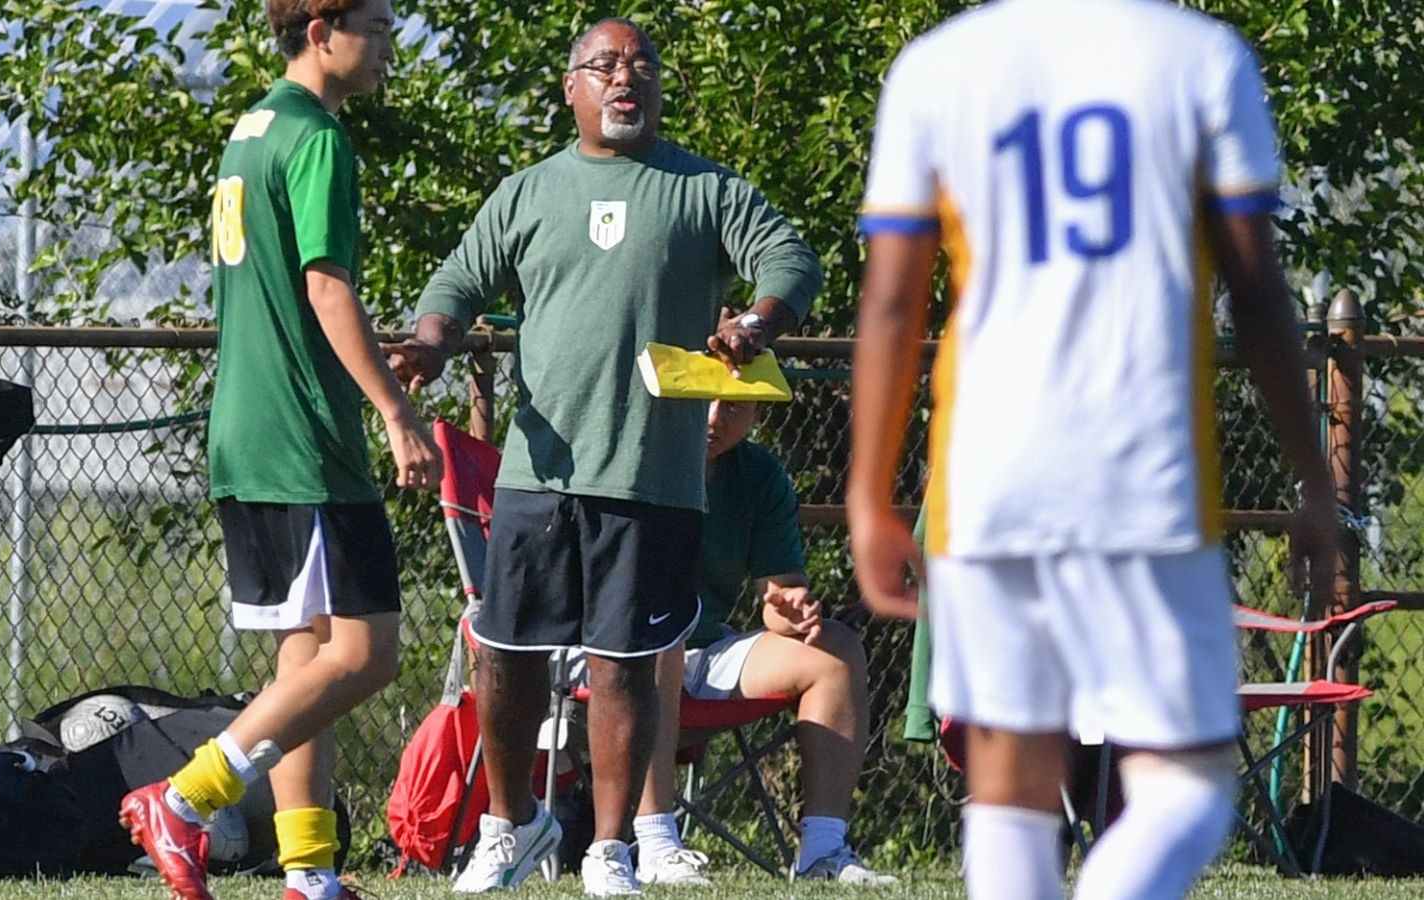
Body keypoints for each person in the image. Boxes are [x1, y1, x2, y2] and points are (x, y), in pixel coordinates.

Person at [846, 2, 1339, 900]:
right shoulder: (1200, 56)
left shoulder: (939, 65)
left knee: (1009, 788)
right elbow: (1260, 294)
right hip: (1143, 467)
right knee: (1189, 784)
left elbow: (889, 302)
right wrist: (1313, 480)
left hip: (988, 471)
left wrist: (868, 495)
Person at [386, 17, 820, 896]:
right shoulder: (528, 192)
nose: (627, 79)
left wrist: (754, 323)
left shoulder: (704, 189)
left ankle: (610, 851)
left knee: (626, 667)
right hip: (538, 472)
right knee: (505, 654)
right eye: (606, 65)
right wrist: (432, 342)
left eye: (642, 66)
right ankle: (511, 827)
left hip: (650, 478)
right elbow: (457, 282)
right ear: (571, 86)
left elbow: (791, 260)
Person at [118, 3, 442, 900]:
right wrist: (396, 413)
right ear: (321, 29)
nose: (389, 44)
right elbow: (326, 288)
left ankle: (311, 878)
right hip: (303, 437)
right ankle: (184, 799)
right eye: (376, 25)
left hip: (249, 430)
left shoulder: (251, 128)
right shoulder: (318, 137)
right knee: (367, 655)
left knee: (308, 662)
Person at [622, 399, 895, 886]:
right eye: (703, 397)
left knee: (837, 650)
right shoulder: (629, 457)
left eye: (733, 405)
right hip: (616, 652)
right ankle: (657, 845)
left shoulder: (760, 475)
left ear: (757, 411)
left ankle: (823, 852)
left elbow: (777, 595)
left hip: (705, 651)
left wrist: (790, 609)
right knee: (659, 638)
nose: (714, 417)